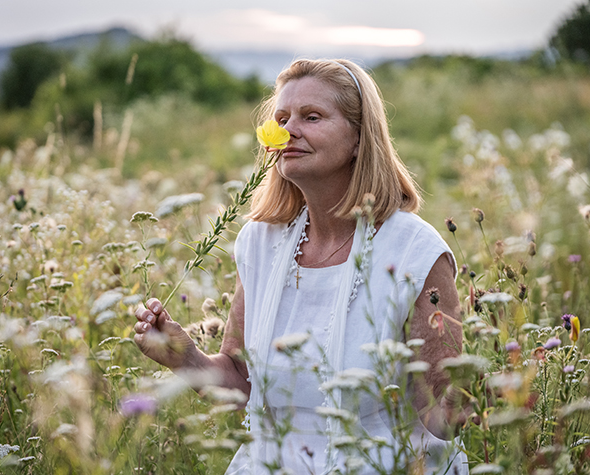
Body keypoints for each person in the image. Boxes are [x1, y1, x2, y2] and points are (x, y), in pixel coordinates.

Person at [134, 59, 469, 474]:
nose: (289, 130)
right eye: (281, 119)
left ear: (359, 138)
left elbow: (443, 416)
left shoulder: (415, 251)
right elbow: (241, 381)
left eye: (311, 117)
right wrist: (185, 358)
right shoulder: (260, 243)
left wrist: (495, 393)